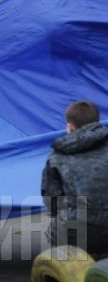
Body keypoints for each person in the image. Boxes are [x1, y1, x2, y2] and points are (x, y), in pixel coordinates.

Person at [41, 100, 108, 254]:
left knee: (55, 230)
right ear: (97, 122)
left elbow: (52, 201)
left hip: (79, 231)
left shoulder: (56, 157)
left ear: (70, 127)